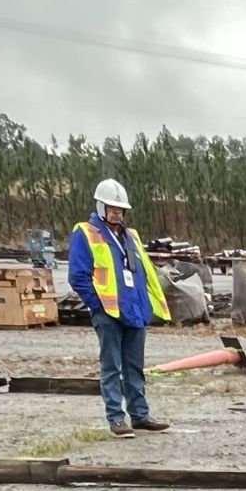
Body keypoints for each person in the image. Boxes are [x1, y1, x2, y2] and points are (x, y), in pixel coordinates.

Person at [67, 179, 171, 438]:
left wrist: (146, 306)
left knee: (134, 367)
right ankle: (116, 418)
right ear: (101, 207)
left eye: (120, 209)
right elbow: (78, 276)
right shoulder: (86, 233)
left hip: (134, 311)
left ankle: (140, 415)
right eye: (112, 208)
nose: (117, 213)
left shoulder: (130, 236)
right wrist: (98, 305)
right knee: (112, 367)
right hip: (109, 312)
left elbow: (143, 273)